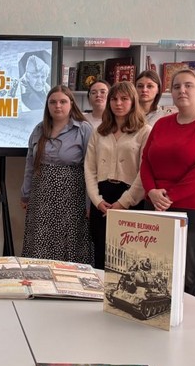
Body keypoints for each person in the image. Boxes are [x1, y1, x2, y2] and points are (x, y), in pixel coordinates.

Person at [139, 68, 195, 289]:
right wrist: (151, 191)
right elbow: (146, 161)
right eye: (176, 87)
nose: (182, 90)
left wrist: (169, 197)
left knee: (190, 275)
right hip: (157, 205)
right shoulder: (161, 124)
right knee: (154, 274)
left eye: (188, 85)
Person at [21, 85, 93, 264]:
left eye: (63, 101)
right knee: (40, 239)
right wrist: (25, 194)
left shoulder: (83, 129)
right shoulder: (39, 129)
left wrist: (89, 203)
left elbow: (91, 168)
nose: (57, 106)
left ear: (71, 104)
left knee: (69, 242)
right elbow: (30, 164)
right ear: (47, 105)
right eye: (52, 102)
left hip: (72, 197)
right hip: (41, 196)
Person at [84, 81, 151, 269]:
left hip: (130, 198)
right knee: (101, 254)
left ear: (133, 101)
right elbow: (90, 168)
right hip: (102, 199)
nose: (118, 103)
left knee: (127, 259)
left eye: (124, 99)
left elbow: (144, 171)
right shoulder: (99, 131)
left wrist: (124, 202)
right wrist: (97, 200)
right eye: (114, 99)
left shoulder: (144, 131)